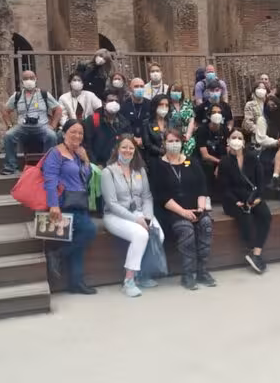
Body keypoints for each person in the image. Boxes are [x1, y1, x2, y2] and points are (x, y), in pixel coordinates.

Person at [101, 135, 164, 297]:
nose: (127, 151)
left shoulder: (140, 170)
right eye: (124, 147)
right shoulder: (108, 172)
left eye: (131, 148)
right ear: (117, 149)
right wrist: (136, 220)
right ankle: (128, 280)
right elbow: (112, 204)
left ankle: (142, 275)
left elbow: (147, 196)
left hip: (141, 212)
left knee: (159, 234)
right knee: (140, 234)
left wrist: (148, 218)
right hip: (115, 215)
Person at [152, 129, 215, 290]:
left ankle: (202, 271)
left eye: (177, 141)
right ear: (164, 144)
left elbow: (202, 187)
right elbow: (162, 197)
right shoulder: (158, 165)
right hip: (171, 211)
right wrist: (184, 212)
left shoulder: (192, 162)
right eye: (170, 141)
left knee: (206, 223)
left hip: (195, 208)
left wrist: (200, 208)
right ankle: (187, 274)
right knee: (186, 229)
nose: (174, 144)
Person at [42, 119, 97, 294]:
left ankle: (76, 282)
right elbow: (49, 179)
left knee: (78, 244)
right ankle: (57, 255)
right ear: (64, 133)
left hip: (79, 202)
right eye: (73, 131)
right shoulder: (55, 153)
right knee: (89, 230)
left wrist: (86, 160)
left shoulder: (78, 154)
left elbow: (86, 178)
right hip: (64, 203)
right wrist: (53, 205)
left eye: (80, 133)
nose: (77, 135)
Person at [218, 129, 272, 274]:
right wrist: (236, 202)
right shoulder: (224, 162)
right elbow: (224, 188)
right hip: (233, 200)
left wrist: (257, 198)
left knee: (265, 215)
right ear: (228, 141)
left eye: (239, 138)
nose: (236, 140)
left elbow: (260, 182)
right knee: (246, 216)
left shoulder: (253, 158)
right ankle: (252, 249)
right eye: (233, 137)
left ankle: (256, 254)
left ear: (244, 142)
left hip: (252, 197)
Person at [1, 70, 61, 175]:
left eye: (31, 78)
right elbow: (5, 110)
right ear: (22, 81)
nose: (29, 81)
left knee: (52, 136)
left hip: (41, 126)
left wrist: (53, 125)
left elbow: (58, 109)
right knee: (8, 135)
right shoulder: (17, 95)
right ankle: (10, 166)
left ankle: (48, 165)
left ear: (36, 79)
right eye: (26, 78)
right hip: (22, 127)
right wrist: (10, 125)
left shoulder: (44, 94)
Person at [82, 90, 132, 166]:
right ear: (103, 103)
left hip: (119, 163)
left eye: (116, 101)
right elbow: (87, 145)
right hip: (98, 164)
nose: (114, 103)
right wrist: (94, 164)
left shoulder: (124, 122)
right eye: (111, 100)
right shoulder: (93, 120)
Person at [255, 95, 280, 189]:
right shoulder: (262, 120)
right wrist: (277, 142)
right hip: (268, 150)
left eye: (274, 105)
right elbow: (261, 138)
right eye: (269, 105)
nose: (272, 107)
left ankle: (276, 179)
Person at [196, 103, 230, 196]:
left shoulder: (225, 130)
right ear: (208, 115)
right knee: (208, 166)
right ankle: (206, 196)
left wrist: (222, 163)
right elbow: (205, 155)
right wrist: (219, 162)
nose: (217, 114)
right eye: (214, 112)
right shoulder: (202, 130)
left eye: (219, 112)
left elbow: (228, 150)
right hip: (206, 160)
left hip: (220, 158)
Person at [168, 82, 197, 156]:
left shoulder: (187, 103)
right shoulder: (167, 105)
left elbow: (191, 120)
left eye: (178, 91)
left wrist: (188, 135)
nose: (176, 93)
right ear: (169, 92)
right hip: (172, 134)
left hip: (186, 134)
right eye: (174, 91)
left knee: (191, 143)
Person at [120, 77, 151, 145]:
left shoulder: (150, 104)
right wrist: (132, 137)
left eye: (141, 86)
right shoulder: (124, 106)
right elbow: (122, 125)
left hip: (148, 142)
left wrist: (144, 138)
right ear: (130, 88)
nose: (139, 89)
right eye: (136, 86)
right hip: (129, 142)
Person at [142, 94, 171, 163]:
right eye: (161, 104)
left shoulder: (171, 122)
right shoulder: (147, 123)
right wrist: (164, 152)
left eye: (166, 105)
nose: (164, 107)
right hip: (154, 159)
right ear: (155, 106)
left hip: (171, 158)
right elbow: (147, 144)